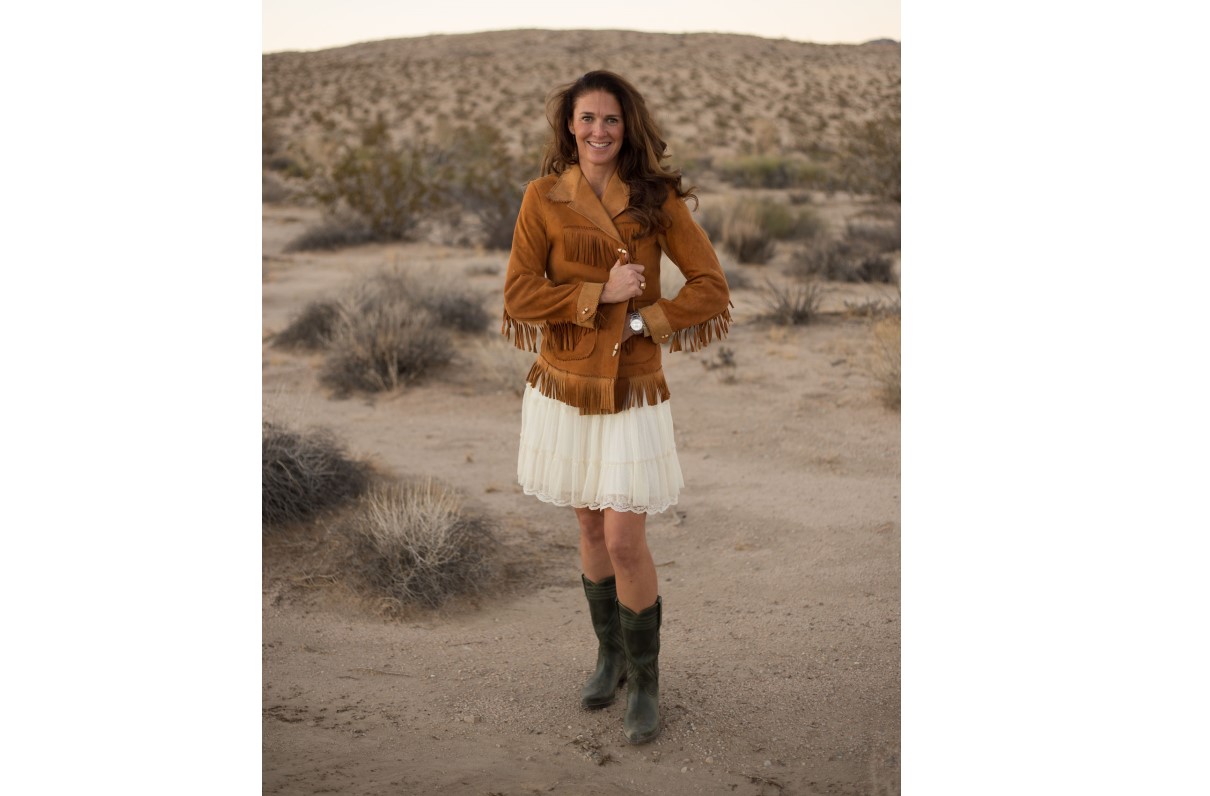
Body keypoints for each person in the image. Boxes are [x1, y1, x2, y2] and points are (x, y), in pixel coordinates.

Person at [502, 70, 731, 745]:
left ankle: (647, 681)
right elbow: (519, 294)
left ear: (627, 126)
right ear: (569, 127)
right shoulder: (543, 197)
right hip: (567, 383)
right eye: (587, 119)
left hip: (632, 386)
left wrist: (644, 321)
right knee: (589, 526)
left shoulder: (656, 200)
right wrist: (597, 295)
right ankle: (611, 658)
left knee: (625, 537)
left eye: (610, 119)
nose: (598, 131)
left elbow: (711, 287)